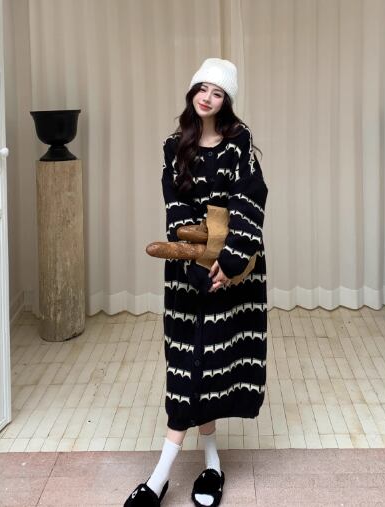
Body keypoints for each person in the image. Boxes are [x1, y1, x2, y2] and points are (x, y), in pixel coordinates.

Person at [124, 57, 268, 507]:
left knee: (210, 368)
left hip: (232, 271)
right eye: (202, 88)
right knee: (188, 368)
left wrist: (229, 259)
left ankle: (171, 477)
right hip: (186, 269)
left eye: (217, 92)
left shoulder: (239, 143)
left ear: (227, 101)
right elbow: (176, 206)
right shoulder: (175, 146)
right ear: (192, 92)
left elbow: (250, 199)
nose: (207, 97)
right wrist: (193, 263)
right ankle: (195, 469)